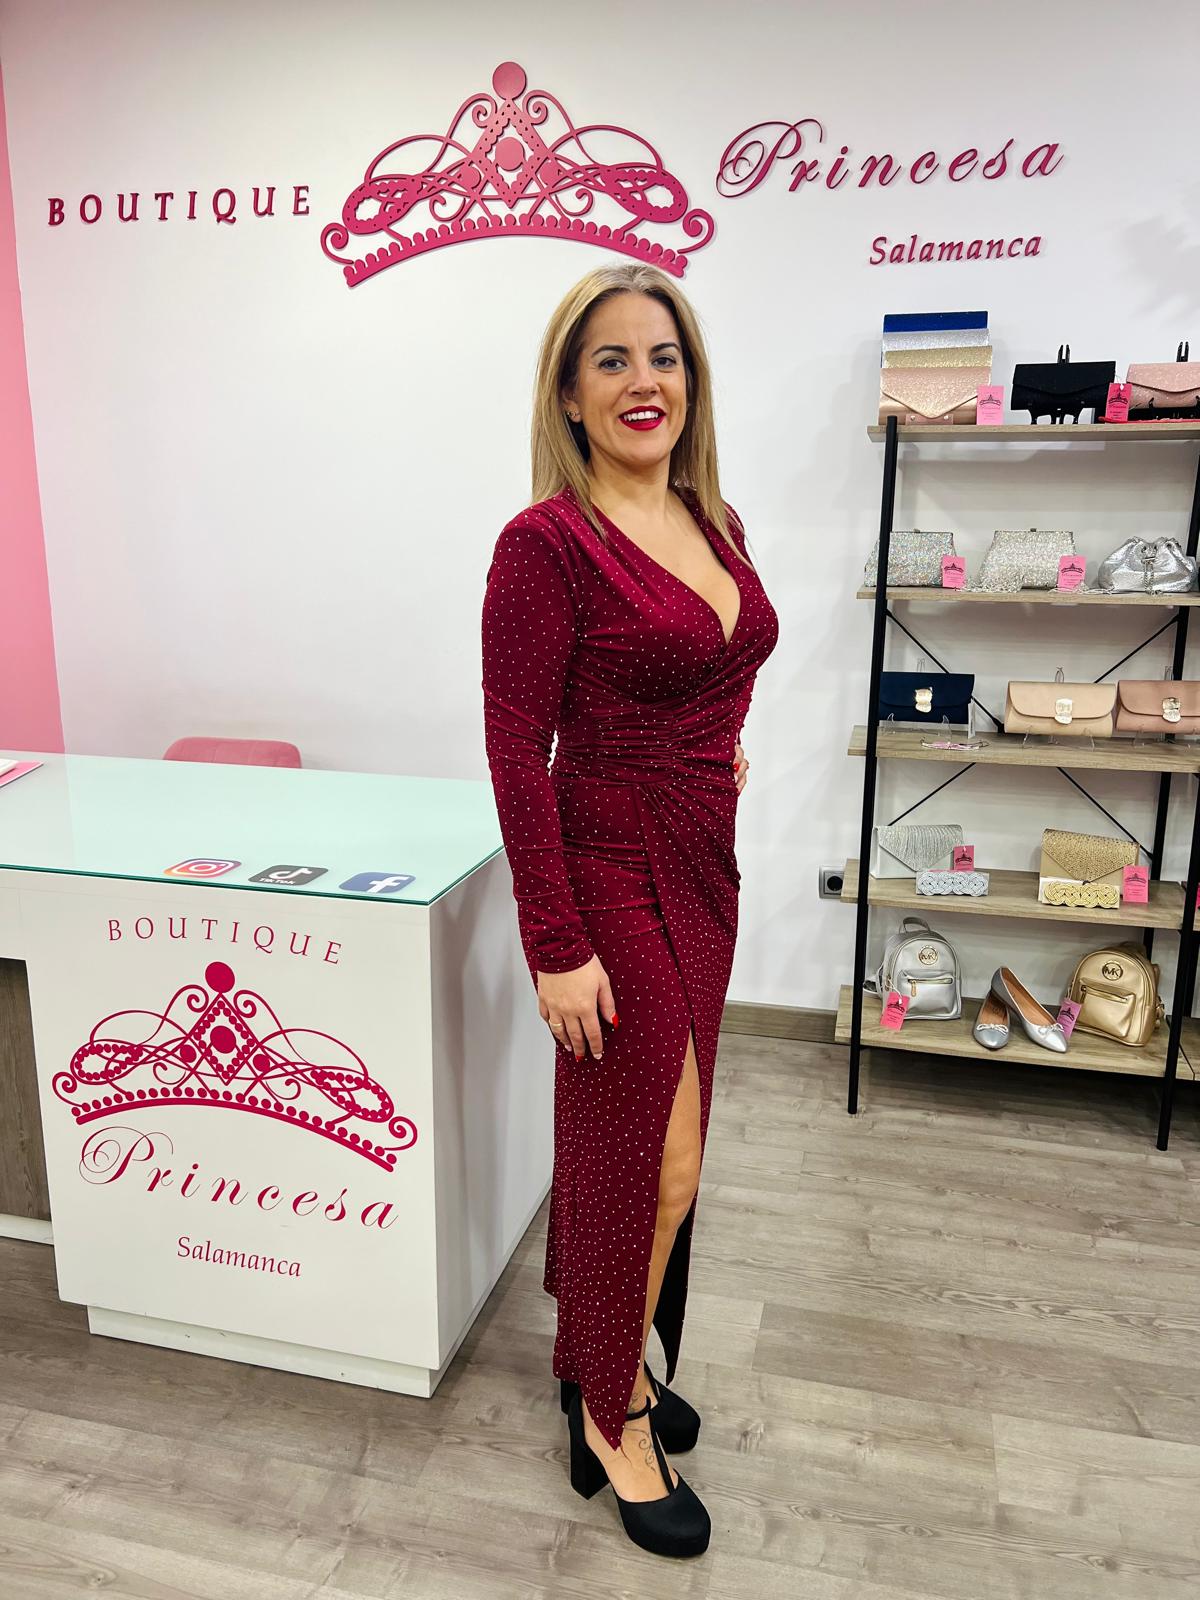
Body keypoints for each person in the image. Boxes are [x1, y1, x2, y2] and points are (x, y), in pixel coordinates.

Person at [481, 261, 779, 1559]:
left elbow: (723, 662)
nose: (642, 381)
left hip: (703, 865)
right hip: (605, 871)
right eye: (610, 359)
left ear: (691, 381)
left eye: (664, 356)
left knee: (649, 1150)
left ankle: (594, 1355)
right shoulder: (545, 546)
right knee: (658, 1158)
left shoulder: (718, 521)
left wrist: (716, 749)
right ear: (569, 392)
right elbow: (516, 750)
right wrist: (555, 945)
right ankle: (613, 1412)